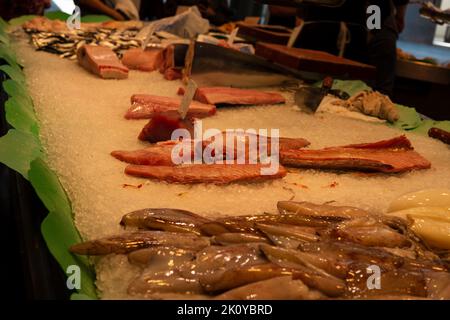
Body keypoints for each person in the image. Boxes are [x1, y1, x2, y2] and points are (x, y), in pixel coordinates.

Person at [368, 0, 409, 96]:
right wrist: (400, 16)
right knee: (380, 92)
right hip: (377, 17)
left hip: (354, 21)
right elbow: (375, 10)